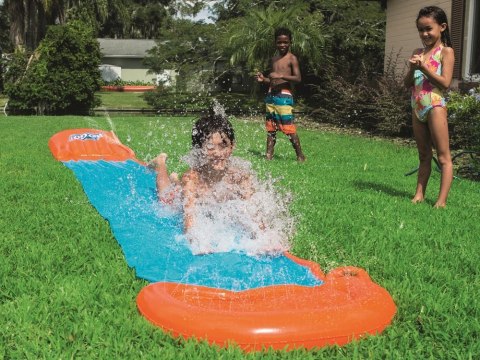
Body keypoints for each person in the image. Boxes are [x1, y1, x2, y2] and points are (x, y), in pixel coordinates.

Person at [152, 113, 255, 233]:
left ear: (232, 146)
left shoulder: (240, 178)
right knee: (166, 199)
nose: (218, 153)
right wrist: (198, 240)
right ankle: (161, 162)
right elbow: (189, 226)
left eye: (223, 145)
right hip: (179, 197)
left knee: (177, 183)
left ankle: (175, 179)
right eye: (210, 147)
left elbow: (254, 215)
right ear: (199, 150)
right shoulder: (192, 179)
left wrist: (266, 239)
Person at [404, 6, 455, 208]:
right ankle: (419, 195)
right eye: (420, 29)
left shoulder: (446, 52)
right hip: (417, 107)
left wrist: (424, 67)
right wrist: (412, 69)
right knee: (424, 155)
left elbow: (445, 83)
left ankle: (441, 202)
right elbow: (407, 83)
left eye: (428, 28)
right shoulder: (418, 53)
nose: (424, 34)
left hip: (435, 106)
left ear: (442, 27)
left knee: (444, 157)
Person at [255, 27, 305, 162]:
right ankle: (268, 155)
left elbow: (298, 78)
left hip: (284, 95)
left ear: (290, 42)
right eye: (279, 42)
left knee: (288, 126)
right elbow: (273, 79)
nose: (282, 45)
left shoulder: (291, 58)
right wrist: (263, 79)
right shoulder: (274, 59)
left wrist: (282, 75)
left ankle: (300, 156)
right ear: (275, 43)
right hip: (271, 95)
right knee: (271, 126)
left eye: (285, 42)